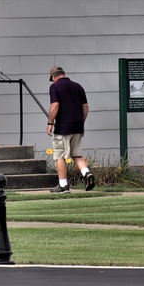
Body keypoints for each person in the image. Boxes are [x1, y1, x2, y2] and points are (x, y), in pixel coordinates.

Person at [46, 65, 95, 193]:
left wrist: (50, 122)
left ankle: (63, 185)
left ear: (54, 76)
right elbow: (85, 107)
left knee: (59, 155)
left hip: (63, 127)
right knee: (76, 154)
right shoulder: (78, 86)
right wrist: (81, 123)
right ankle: (87, 173)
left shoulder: (54, 87)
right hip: (77, 126)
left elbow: (55, 105)